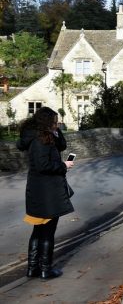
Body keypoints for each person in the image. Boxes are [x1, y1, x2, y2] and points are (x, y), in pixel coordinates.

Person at [16, 107, 74, 280]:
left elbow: (62, 145)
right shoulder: (41, 140)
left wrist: (56, 131)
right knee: (47, 231)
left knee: (39, 230)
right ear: (46, 122)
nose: (56, 125)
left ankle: (33, 268)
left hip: (37, 190)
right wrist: (64, 166)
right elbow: (43, 166)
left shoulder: (45, 135)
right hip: (47, 191)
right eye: (54, 122)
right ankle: (45, 270)